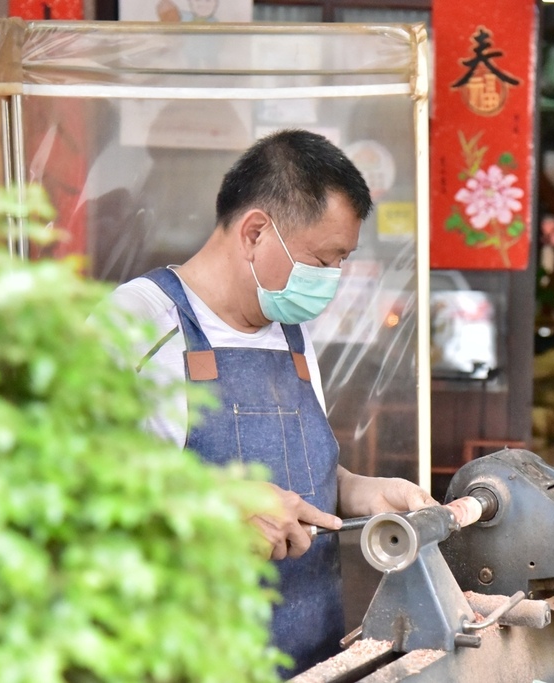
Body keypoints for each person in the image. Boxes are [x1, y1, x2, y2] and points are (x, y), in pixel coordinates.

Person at [105, 129, 438, 676]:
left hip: (310, 654)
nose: (332, 280)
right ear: (256, 232)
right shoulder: (139, 322)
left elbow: (299, 467)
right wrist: (221, 504)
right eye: (322, 261)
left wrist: (358, 491)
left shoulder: (290, 334)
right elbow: (84, 491)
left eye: (341, 263)